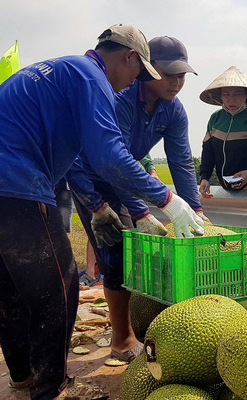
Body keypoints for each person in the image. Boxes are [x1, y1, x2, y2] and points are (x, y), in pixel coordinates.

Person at [0, 24, 203, 400]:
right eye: (140, 72)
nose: (134, 82)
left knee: (6, 288)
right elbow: (108, 157)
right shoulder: (92, 78)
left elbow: (96, 154)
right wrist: (165, 199)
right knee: (60, 285)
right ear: (129, 57)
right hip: (13, 182)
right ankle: (51, 389)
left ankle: (23, 379)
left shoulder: (63, 69)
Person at [67, 35, 206, 363]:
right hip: (93, 178)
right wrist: (143, 211)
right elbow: (116, 160)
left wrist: (195, 209)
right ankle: (121, 338)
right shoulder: (122, 98)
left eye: (182, 75)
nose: (176, 82)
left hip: (126, 177)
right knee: (116, 250)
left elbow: (181, 161)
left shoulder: (174, 112)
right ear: (148, 68)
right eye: (169, 74)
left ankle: (129, 322)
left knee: (135, 255)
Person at [198, 66, 247, 198]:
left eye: (237, 94)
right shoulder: (215, 118)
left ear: (246, 95)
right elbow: (208, 152)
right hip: (225, 189)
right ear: (220, 96)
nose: (231, 100)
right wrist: (205, 177)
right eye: (226, 94)